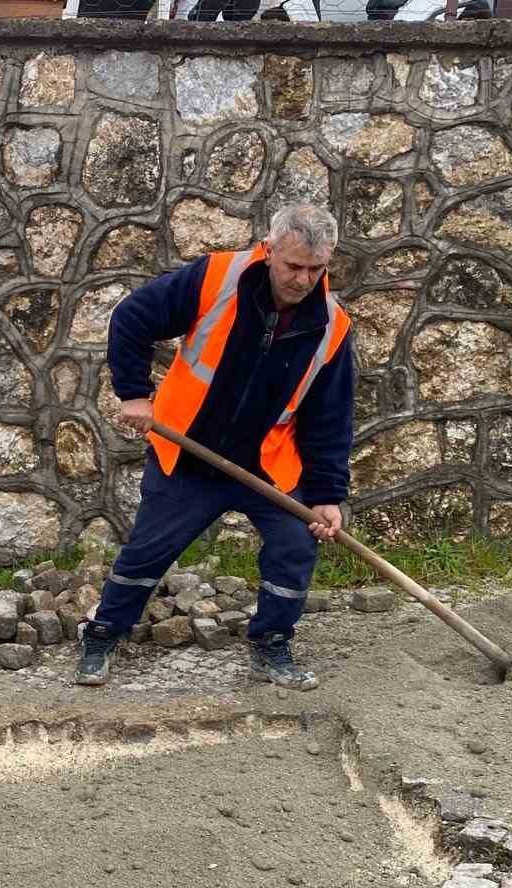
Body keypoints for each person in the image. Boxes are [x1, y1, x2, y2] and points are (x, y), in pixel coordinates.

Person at [75, 203, 356, 692]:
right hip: (189, 453)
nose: (303, 279)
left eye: (316, 269)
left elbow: (330, 418)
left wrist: (327, 495)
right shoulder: (216, 278)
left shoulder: (332, 327)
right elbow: (132, 317)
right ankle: (103, 634)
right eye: (293, 266)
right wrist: (135, 396)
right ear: (269, 251)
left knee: (295, 546)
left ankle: (270, 644)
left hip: (267, 466)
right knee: (147, 551)